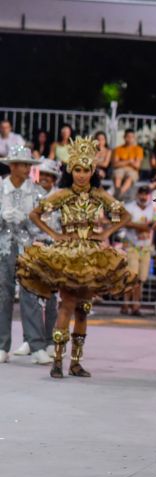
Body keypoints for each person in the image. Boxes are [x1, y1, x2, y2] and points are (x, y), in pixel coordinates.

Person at [18, 137, 137, 378]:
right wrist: (55, 234)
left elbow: (125, 215)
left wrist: (105, 233)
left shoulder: (99, 195)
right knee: (67, 305)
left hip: (92, 255)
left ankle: (75, 362)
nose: (81, 175)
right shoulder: (62, 194)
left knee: (83, 308)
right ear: (71, 170)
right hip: (68, 254)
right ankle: (58, 361)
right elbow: (35, 214)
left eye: (86, 170)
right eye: (77, 170)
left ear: (93, 170)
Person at [0, 146, 51, 365]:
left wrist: (29, 222)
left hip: (28, 248)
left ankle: (36, 345)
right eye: (24, 164)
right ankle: (2, 345)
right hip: (3, 248)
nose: (28, 168)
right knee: (3, 295)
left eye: (29, 164)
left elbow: (45, 224)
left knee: (31, 295)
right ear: (12, 166)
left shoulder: (37, 192)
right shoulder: (0, 188)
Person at [12, 157, 61, 360]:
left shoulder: (60, 198)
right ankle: (29, 339)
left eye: (50, 176)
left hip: (54, 250)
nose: (45, 179)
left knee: (51, 298)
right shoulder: (29, 194)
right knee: (30, 295)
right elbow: (23, 221)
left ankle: (49, 340)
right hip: (32, 247)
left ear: (55, 178)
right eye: (43, 175)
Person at [122, 185, 156, 315]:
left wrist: (151, 226)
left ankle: (135, 305)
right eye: (141, 194)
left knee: (141, 278)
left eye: (146, 194)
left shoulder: (154, 208)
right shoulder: (129, 207)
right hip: (131, 246)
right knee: (131, 276)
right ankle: (127, 304)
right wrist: (142, 226)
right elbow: (123, 222)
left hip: (146, 248)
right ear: (137, 194)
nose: (143, 197)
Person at [111, 129, 143, 199]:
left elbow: (137, 166)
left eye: (132, 137)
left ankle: (119, 194)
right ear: (124, 137)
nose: (130, 139)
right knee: (118, 175)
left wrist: (122, 162)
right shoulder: (118, 149)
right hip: (120, 169)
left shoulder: (138, 149)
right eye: (128, 136)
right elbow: (115, 165)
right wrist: (129, 161)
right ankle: (118, 192)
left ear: (134, 138)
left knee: (130, 177)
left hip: (132, 170)